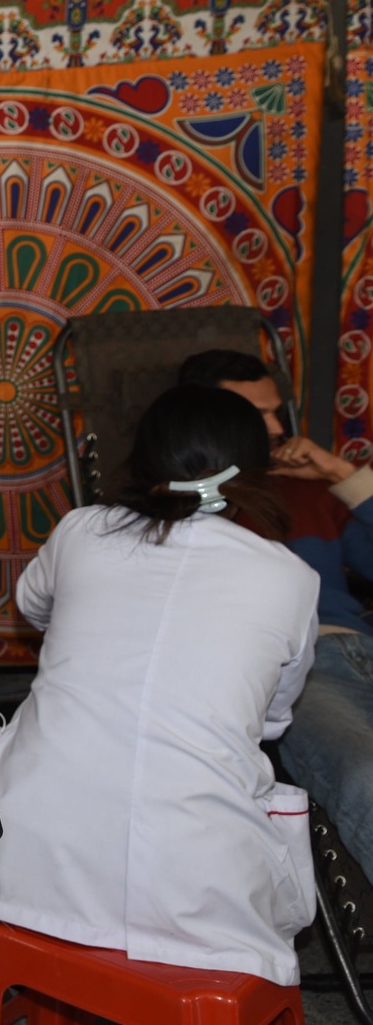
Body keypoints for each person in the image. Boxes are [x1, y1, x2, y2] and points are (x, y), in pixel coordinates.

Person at [0, 385, 319, 984]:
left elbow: (32, 605)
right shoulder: (290, 577)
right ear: (254, 472)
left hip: (30, 858)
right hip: (199, 887)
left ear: (141, 459)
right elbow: (272, 719)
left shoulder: (81, 530)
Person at [180, 348, 373, 874]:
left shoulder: (312, 488)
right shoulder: (181, 507)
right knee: (366, 774)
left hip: (360, 642)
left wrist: (341, 474)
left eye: (275, 411)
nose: (274, 428)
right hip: (297, 670)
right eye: (255, 414)